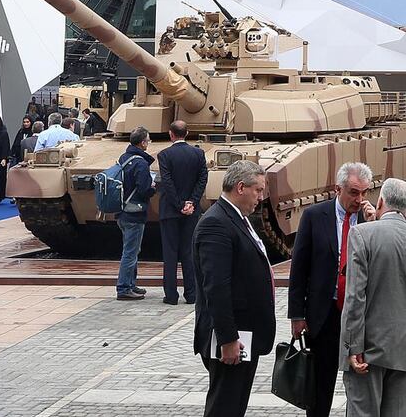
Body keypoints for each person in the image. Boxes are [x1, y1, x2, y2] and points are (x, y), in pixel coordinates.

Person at [288, 162, 377, 417]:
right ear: (338, 188)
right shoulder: (315, 216)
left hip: (359, 316)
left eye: (364, 193)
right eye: (353, 192)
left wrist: (373, 225)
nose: (359, 199)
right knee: (320, 387)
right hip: (324, 314)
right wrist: (297, 314)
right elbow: (300, 268)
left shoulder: (369, 219)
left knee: (361, 383)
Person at [340, 178, 406, 417]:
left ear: (380, 201)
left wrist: (352, 346)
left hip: (368, 347)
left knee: (362, 411)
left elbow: (355, 297)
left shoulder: (361, 234)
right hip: (404, 346)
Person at [193, 160, 275, 417]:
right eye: (258, 190)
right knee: (224, 407)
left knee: (234, 405)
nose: (260, 198)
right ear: (241, 187)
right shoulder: (216, 223)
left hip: (245, 335)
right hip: (232, 338)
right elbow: (216, 287)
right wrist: (228, 339)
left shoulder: (237, 218)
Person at [158, 120, 208, 305]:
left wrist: (179, 204)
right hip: (191, 211)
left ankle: (171, 296)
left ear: (171, 134)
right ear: (187, 133)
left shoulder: (164, 155)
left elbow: (167, 182)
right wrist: (192, 202)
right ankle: (192, 294)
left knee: (170, 254)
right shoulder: (198, 153)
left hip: (170, 211)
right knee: (188, 252)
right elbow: (202, 179)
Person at [115, 127, 156, 301]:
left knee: (131, 249)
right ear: (143, 143)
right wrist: (153, 188)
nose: (148, 143)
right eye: (148, 140)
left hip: (123, 210)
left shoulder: (124, 157)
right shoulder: (140, 163)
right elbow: (143, 189)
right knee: (130, 252)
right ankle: (124, 287)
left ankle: (131, 284)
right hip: (135, 212)